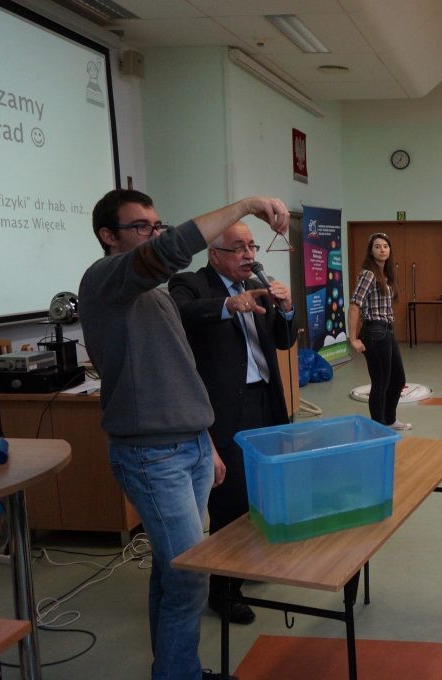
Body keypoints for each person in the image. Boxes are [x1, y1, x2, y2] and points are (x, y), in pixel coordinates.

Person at [79, 189, 290, 680]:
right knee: (190, 576)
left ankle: (176, 671)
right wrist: (245, 205)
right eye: (141, 227)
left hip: (189, 444)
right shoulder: (105, 279)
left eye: (158, 225)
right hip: (152, 453)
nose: (154, 234)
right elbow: (171, 251)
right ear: (108, 236)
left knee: (171, 571)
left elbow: (184, 371)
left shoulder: (153, 295)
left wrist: (205, 441)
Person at [168, 221, 298, 625]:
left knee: (262, 492)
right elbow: (182, 314)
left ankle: (246, 565)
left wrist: (287, 309)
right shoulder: (191, 284)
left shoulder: (257, 283)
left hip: (265, 404)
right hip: (224, 411)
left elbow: (283, 340)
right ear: (214, 253)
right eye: (239, 247)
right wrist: (228, 305)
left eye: (252, 246)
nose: (249, 254)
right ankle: (223, 592)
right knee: (230, 503)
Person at [348, 233, 411, 431]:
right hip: (374, 332)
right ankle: (378, 428)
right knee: (381, 383)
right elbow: (354, 306)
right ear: (371, 251)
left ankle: (389, 420)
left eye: (385, 246)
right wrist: (353, 338)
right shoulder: (368, 274)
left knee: (398, 380)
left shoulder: (386, 275)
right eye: (377, 246)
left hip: (386, 331)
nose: (382, 249)